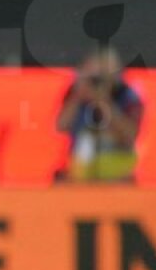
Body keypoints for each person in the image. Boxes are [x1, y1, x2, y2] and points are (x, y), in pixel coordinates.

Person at [55, 46, 144, 182]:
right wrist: (78, 96)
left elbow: (130, 134)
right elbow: (61, 126)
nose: (97, 83)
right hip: (81, 168)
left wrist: (104, 102)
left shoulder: (128, 96)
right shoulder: (77, 94)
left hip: (117, 167)